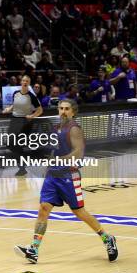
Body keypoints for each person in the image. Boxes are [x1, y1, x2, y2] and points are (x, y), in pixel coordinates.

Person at [15, 99, 118, 264]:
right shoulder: (56, 129)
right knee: (43, 208)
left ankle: (107, 238)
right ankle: (34, 249)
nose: (63, 111)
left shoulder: (74, 129)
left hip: (69, 176)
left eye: (67, 109)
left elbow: (77, 152)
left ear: (73, 112)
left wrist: (59, 160)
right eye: (61, 108)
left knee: (79, 212)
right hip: (53, 176)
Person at [2, 75, 43, 176]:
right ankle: (23, 164)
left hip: (25, 121)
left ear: (29, 83)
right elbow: (14, 105)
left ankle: (22, 167)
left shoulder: (31, 96)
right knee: (10, 144)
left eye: (27, 81)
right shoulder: (15, 93)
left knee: (17, 144)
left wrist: (32, 116)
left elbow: (40, 110)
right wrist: (8, 109)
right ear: (21, 82)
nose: (25, 82)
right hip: (14, 120)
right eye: (23, 80)